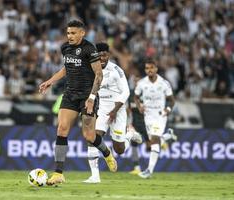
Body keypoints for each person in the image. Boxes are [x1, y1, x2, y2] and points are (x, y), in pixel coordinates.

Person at [39, 20, 117, 185]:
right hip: (70, 94)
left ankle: (106, 152)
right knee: (61, 129)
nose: (70, 36)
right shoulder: (65, 48)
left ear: (82, 33)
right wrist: (50, 81)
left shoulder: (90, 49)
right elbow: (67, 67)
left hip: (88, 96)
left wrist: (92, 98)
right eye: (68, 33)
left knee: (89, 136)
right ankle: (58, 173)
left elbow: (99, 75)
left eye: (73, 33)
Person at [83, 42, 142, 183]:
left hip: (118, 109)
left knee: (119, 149)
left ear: (108, 55)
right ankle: (95, 176)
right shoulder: (91, 69)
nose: (102, 58)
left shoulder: (116, 70)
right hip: (102, 108)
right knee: (92, 138)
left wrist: (115, 111)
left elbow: (126, 92)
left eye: (104, 55)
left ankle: (129, 135)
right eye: (99, 55)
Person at [134, 59, 175, 179]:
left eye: (151, 68)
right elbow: (136, 97)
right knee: (153, 142)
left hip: (160, 115)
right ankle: (168, 136)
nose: (149, 70)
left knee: (155, 140)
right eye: (147, 68)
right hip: (148, 115)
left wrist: (167, 110)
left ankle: (149, 170)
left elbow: (172, 100)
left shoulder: (164, 83)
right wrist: (139, 106)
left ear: (156, 69)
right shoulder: (141, 83)